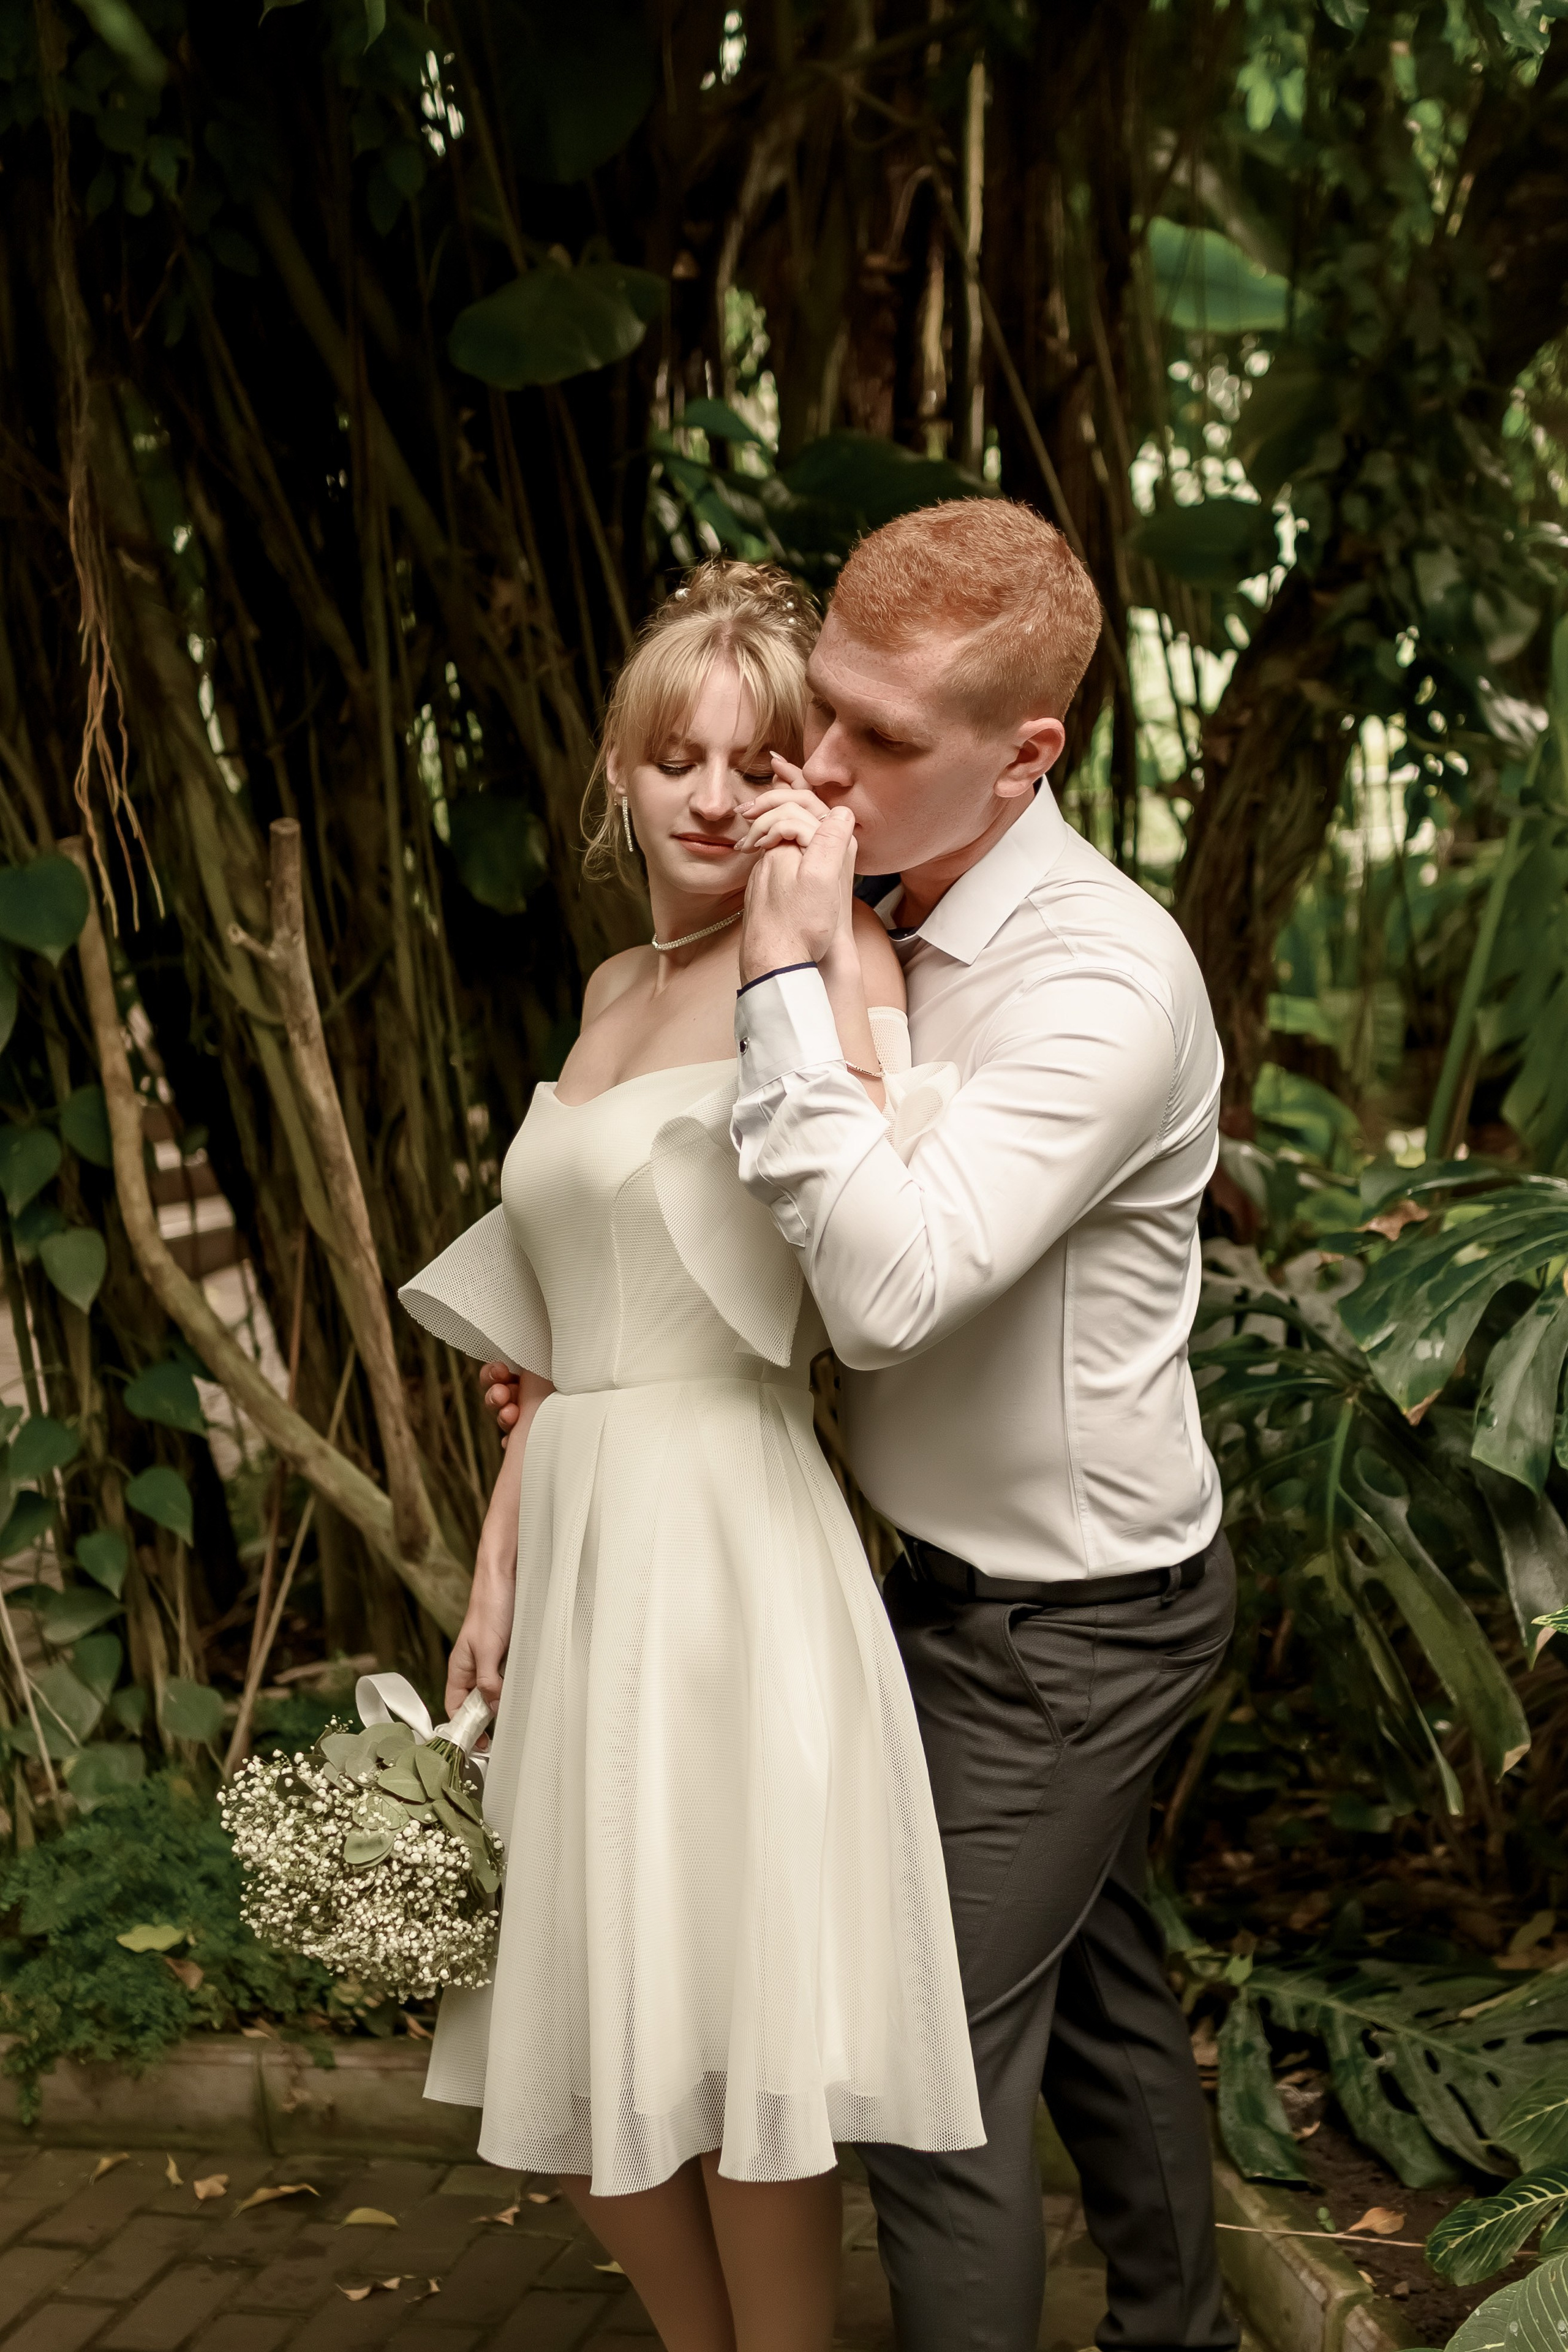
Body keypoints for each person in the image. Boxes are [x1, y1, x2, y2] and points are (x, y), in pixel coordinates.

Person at [490, 497, 1238, 2352]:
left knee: (926, 2072)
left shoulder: (1098, 984)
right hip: (906, 1577)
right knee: (1108, 1996)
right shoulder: (875, 891)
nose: (810, 776)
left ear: (1025, 759)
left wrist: (782, 977)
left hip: (1080, 1616)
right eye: (824, 707)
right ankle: (1186, 2332)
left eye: (877, 743)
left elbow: (890, 1288)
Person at [398, 561, 982, 2352]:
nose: (717, 796)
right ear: (620, 776)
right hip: (579, 1534)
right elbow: (561, 1343)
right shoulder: (603, 983)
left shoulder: (825, 958)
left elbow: (872, 1253)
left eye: (758, 761)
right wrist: (497, 1567)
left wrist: (814, 948)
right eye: (680, 758)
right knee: (580, 2031)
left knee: (734, 2043)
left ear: (807, 786)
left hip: (726, 1538)